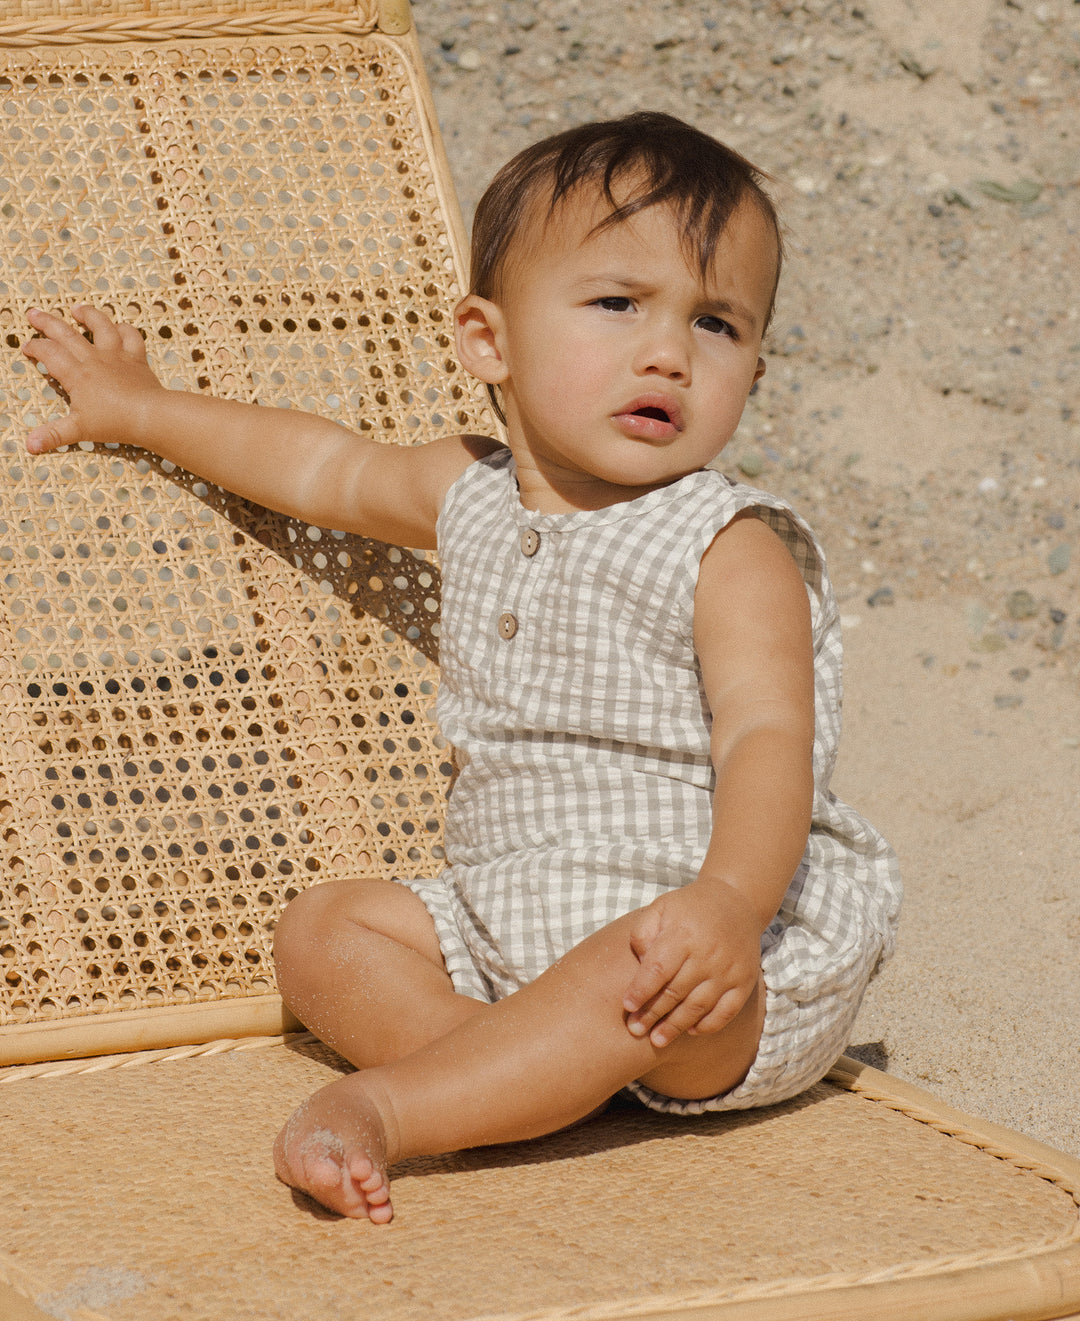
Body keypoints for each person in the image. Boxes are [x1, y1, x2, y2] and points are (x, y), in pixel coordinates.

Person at [23, 111, 901, 1224]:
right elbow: (320, 465)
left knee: (629, 977)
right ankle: (517, 1077)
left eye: (717, 324)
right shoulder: (470, 492)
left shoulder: (729, 545)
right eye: (618, 304)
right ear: (489, 341)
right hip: (511, 918)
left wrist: (727, 907)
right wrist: (145, 409)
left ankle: (395, 1109)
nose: (669, 352)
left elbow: (769, 738)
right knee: (322, 934)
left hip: (699, 962)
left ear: (754, 371)